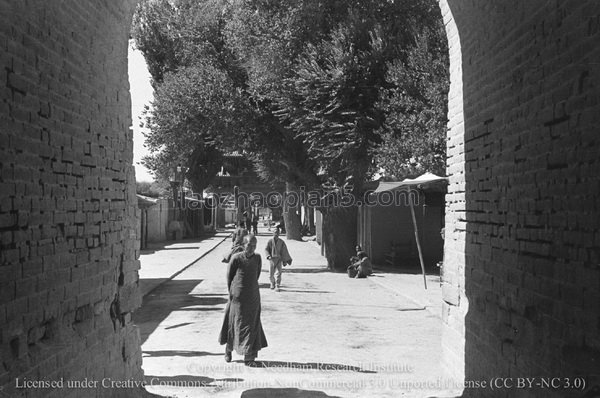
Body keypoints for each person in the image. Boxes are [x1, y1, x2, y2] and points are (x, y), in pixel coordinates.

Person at [219, 234, 267, 366]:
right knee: (235, 324)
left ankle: (249, 357)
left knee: (252, 326)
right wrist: (233, 293)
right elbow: (230, 277)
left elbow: (256, 275)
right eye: (249, 245)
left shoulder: (257, 258)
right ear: (243, 245)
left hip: (252, 298)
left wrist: (250, 289)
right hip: (237, 299)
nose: (251, 248)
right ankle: (228, 349)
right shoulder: (236, 258)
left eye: (254, 246)